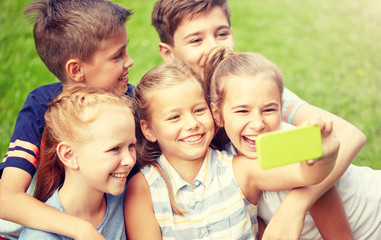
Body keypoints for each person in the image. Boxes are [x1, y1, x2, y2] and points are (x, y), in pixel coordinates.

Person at [151, 0, 366, 238]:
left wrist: (297, 203)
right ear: (168, 53)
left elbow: (349, 136)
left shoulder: (257, 92)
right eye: (196, 40)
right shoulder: (180, 122)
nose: (213, 46)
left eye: (221, 33)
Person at [124, 62, 339, 239]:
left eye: (199, 110)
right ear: (149, 130)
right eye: (174, 117)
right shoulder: (143, 189)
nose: (192, 123)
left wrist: (322, 154)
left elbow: (305, 175)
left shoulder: (237, 169)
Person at [205, 46, 381, 239]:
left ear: (281, 108)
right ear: (217, 115)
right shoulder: (231, 162)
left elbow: (341, 237)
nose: (258, 123)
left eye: (269, 110)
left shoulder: (297, 155)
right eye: (242, 111)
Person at [0, 0, 134, 239]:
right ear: (75, 70)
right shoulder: (41, 106)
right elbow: (5, 198)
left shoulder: (130, 99)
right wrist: (81, 230)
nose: (130, 61)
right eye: (117, 56)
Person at [18, 86, 136, 239]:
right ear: (69, 155)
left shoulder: (128, 198)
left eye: (131, 146)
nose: (129, 160)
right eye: (114, 149)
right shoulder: (41, 236)